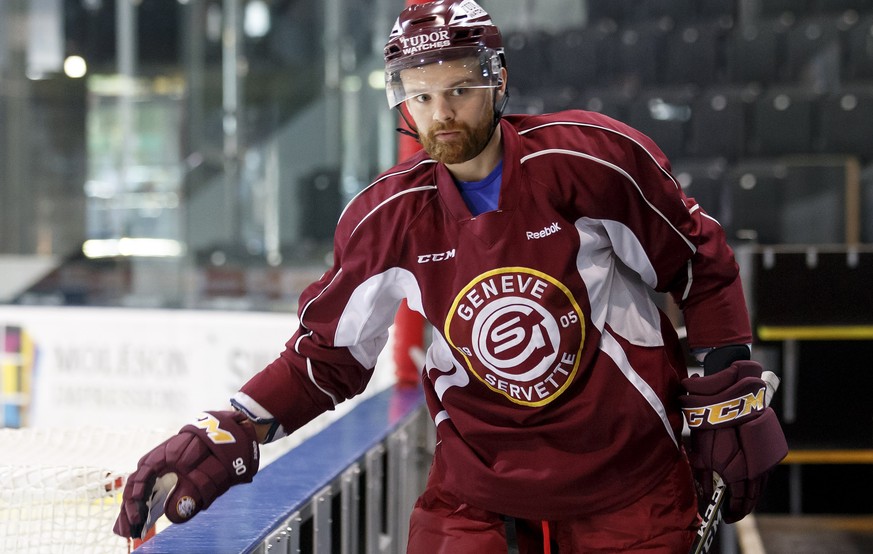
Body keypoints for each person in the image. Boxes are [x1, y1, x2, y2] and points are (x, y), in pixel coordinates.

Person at [114, 1, 787, 552]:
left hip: (626, 482)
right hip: (478, 493)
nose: (441, 112)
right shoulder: (387, 219)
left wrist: (723, 377)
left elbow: (698, 260)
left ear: (496, 80)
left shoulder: (592, 163)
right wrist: (235, 423)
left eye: (460, 88)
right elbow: (326, 359)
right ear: (399, 100)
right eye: (422, 94)